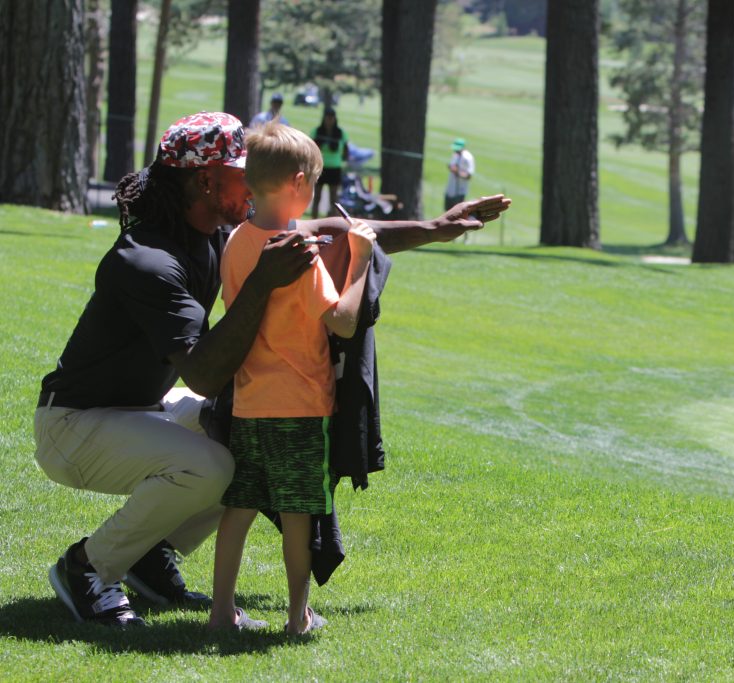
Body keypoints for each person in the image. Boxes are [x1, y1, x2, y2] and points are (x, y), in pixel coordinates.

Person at [33, 109, 511, 627]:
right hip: (76, 426)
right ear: (206, 179)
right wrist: (262, 283)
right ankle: (87, 567)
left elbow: (337, 231)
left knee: (242, 434)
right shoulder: (146, 259)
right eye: (246, 169)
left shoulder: (223, 230)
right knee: (215, 465)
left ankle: (150, 553)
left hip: (138, 413)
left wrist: (436, 228)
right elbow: (203, 374)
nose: (259, 179)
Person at [206, 123, 372, 634]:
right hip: (300, 404)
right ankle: (297, 617)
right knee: (299, 516)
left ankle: (219, 615)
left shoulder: (236, 240)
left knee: (239, 508)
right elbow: (342, 320)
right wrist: (361, 260)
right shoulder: (300, 252)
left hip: (250, 399)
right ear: (300, 183)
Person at [310, 107, 348, 218]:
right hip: (320, 167)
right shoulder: (317, 131)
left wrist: (343, 161)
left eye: (331, 117)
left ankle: (332, 222)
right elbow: (311, 147)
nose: (329, 120)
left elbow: (346, 149)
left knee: (334, 199)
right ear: (324, 118)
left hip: (335, 168)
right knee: (317, 197)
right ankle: (314, 221)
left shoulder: (340, 133)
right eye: (328, 117)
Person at [444, 137, 475, 211]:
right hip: (450, 189)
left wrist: (457, 172)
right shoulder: (455, 155)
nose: (455, 150)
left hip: (459, 191)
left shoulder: (468, 158)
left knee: (456, 214)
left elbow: (468, 175)